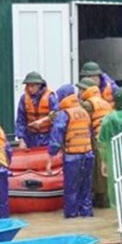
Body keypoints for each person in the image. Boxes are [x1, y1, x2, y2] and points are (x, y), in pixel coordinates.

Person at [47, 84, 95, 218]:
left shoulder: (64, 114)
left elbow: (56, 137)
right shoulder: (84, 112)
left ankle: (71, 217)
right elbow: (90, 133)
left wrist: (50, 158)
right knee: (86, 189)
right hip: (88, 155)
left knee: (71, 190)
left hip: (72, 157)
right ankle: (86, 215)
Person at [76, 77, 113, 208]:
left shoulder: (88, 104)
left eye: (80, 89)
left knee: (98, 175)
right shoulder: (103, 102)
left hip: (98, 141)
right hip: (108, 141)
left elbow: (75, 113)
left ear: (85, 90)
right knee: (105, 174)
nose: (78, 93)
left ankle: (101, 204)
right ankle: (106, 204)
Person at [15, 71, 58, 148]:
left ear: (39, 85)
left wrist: (42, 121)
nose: (30, 89)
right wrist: (21, 139)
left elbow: (57, 114)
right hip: (30, 137)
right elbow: (20, 120)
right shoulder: (24, 99)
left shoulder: (50, 98)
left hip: (47, 137)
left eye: (32, 86)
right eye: (28, 86)